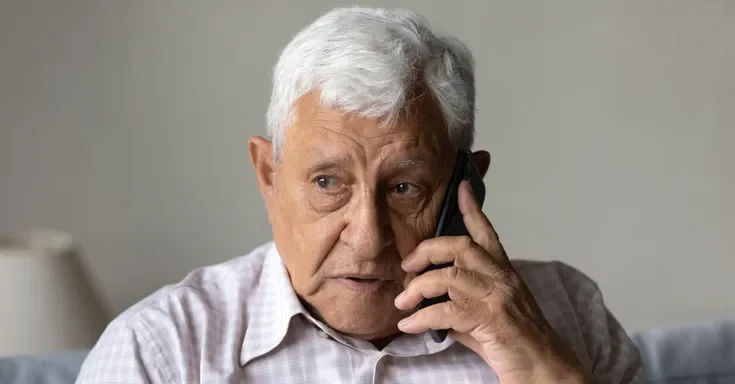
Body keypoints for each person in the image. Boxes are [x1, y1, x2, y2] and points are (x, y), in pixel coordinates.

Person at [76, 7, 643, 384]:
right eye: (327, 183)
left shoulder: (568, 312)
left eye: (403, 188)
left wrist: (548, 370)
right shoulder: (161, 351)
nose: (368, 238)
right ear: (269, 176)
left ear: (466, 186)